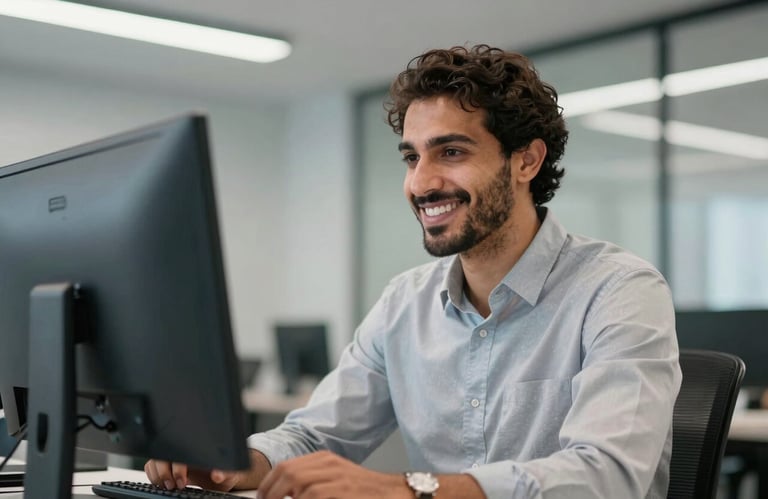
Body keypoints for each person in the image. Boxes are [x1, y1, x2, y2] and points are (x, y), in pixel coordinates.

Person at [145, 45, 682, 499]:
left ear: (526, 161)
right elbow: (314, 436)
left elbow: (608, 474)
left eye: (450, 151)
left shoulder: (618, 290)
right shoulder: (405, 302)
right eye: (411, 157)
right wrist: (239, 463)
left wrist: (409, 490)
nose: (420, 184)